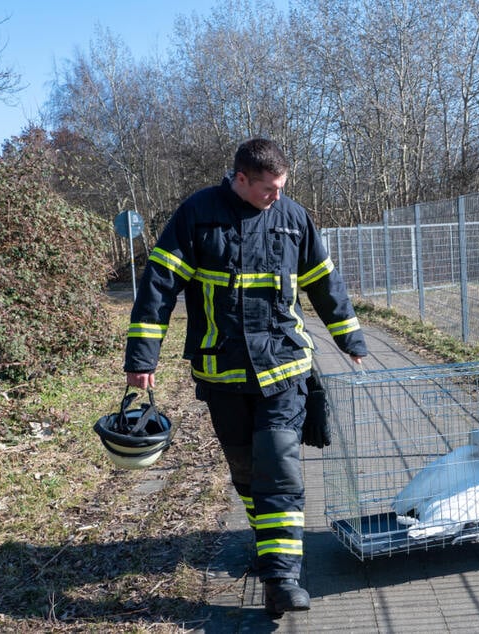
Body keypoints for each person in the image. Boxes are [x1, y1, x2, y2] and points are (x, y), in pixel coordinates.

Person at [124, 138, 367, 615]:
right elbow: (158, 285)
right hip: (222, 373)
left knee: (279, 466)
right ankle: (267, 542)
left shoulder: (294, 219)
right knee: (247, 473)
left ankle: (282, 578)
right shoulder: (197, 214)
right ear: (240, 179)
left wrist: (351, 339)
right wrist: (142, 358)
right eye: (267, 189)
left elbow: (324, 282)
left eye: (281, 188)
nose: (275, 197)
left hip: (285, 368)